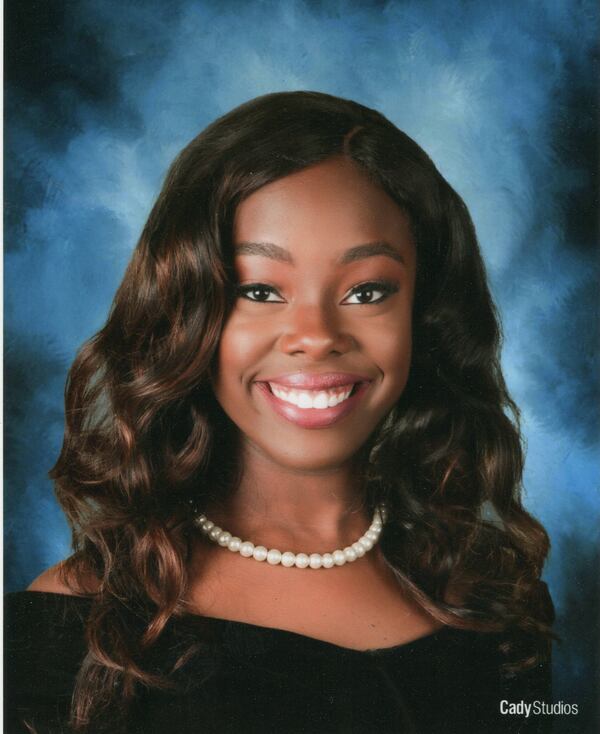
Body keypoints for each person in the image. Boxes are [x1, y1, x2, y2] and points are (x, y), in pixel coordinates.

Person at [5, 91, 554, 734]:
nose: (315, 336)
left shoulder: (498, 601)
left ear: (424, 315)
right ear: (186, 313)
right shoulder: (71, 627)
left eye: (366, 291)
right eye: (260, 290)